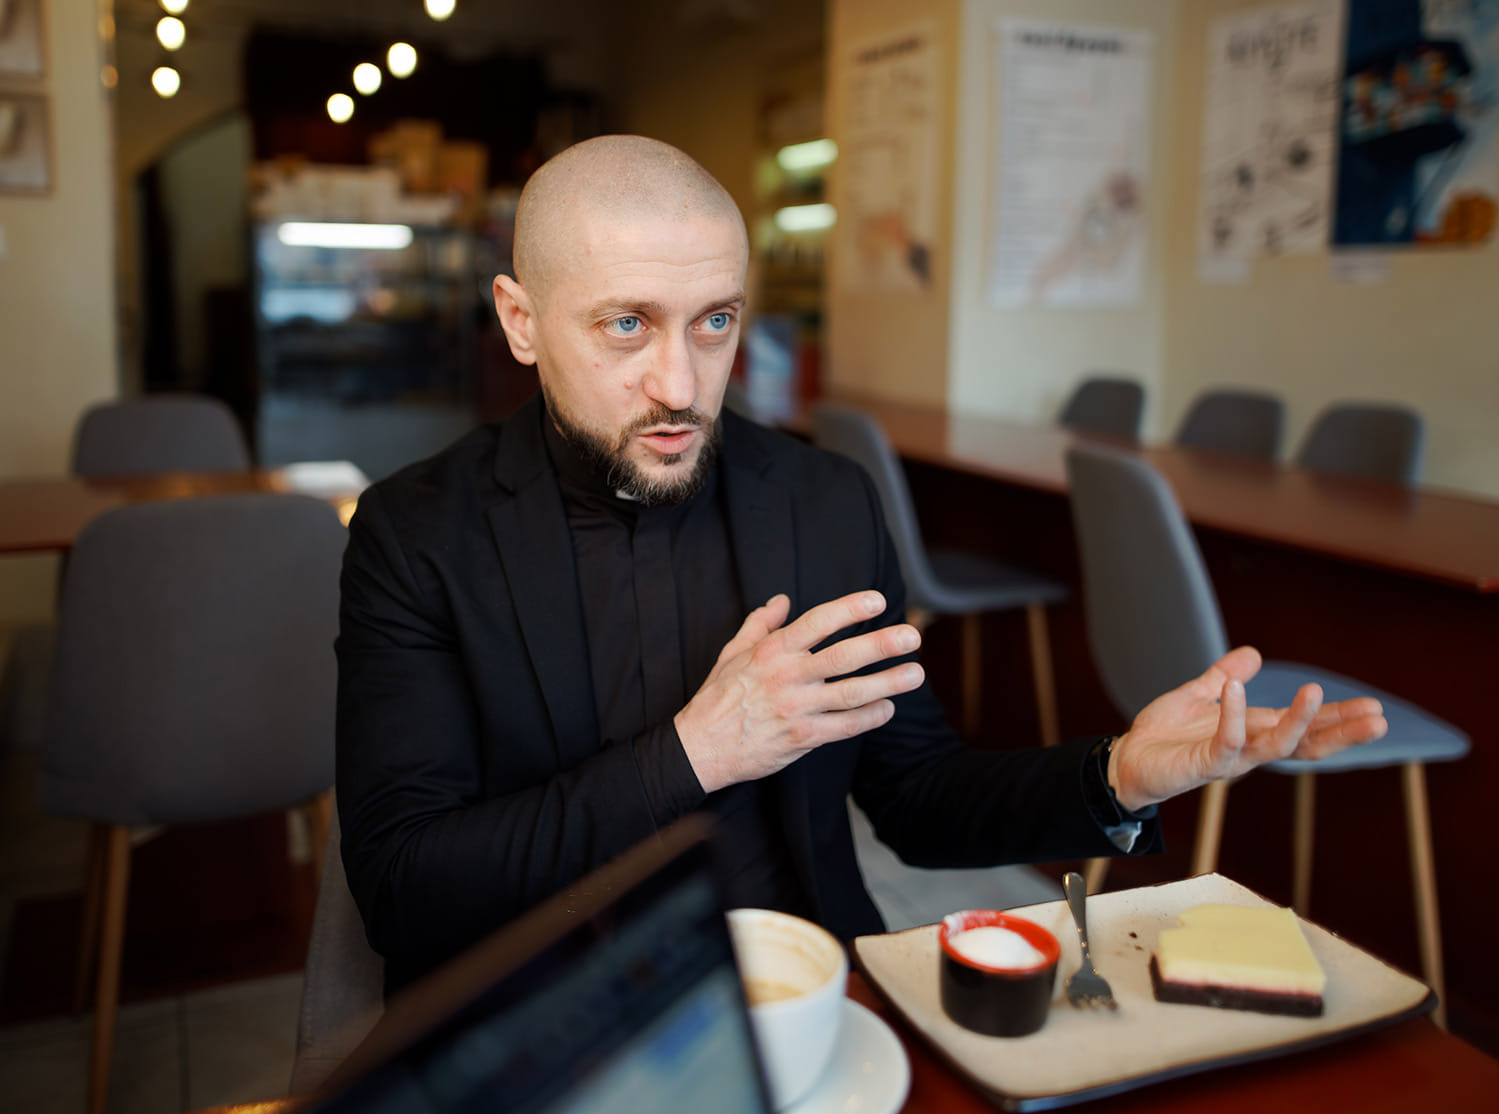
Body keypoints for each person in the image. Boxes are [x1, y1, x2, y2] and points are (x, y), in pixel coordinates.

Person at [335, 135, 1387, 995]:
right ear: (520, 321)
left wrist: (1115, 773)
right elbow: (405, 889)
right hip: (548, 1019)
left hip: (812, 990)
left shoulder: (821, 502)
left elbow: (917, 795)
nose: (681, 385)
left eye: (715, 322)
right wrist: (700, 750)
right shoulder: (415, 534)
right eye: (626, 326)